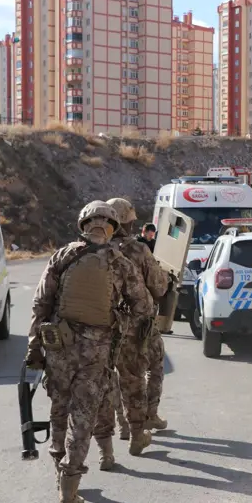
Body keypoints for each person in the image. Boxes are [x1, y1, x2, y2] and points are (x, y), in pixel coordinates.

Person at [24, 200, 152, 503]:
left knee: (58, 411)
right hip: (97, 352)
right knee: (82, 420)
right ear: (113, 229)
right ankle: (69, 492)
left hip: (59, 348)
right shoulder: (120, 263)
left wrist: (33, 348)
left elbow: (41, 304)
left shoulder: (63, 256)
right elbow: (143, 307)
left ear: (83, 225)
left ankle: (60, 477)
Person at [92, 198, 169, 471]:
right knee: (142, 374)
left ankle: (121, 426)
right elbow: (158, 287)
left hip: (102, 325)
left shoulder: (95, 249)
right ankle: (142, 426)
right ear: (130, 221)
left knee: (108, 377)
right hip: (137, 325)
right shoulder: (137, 249)